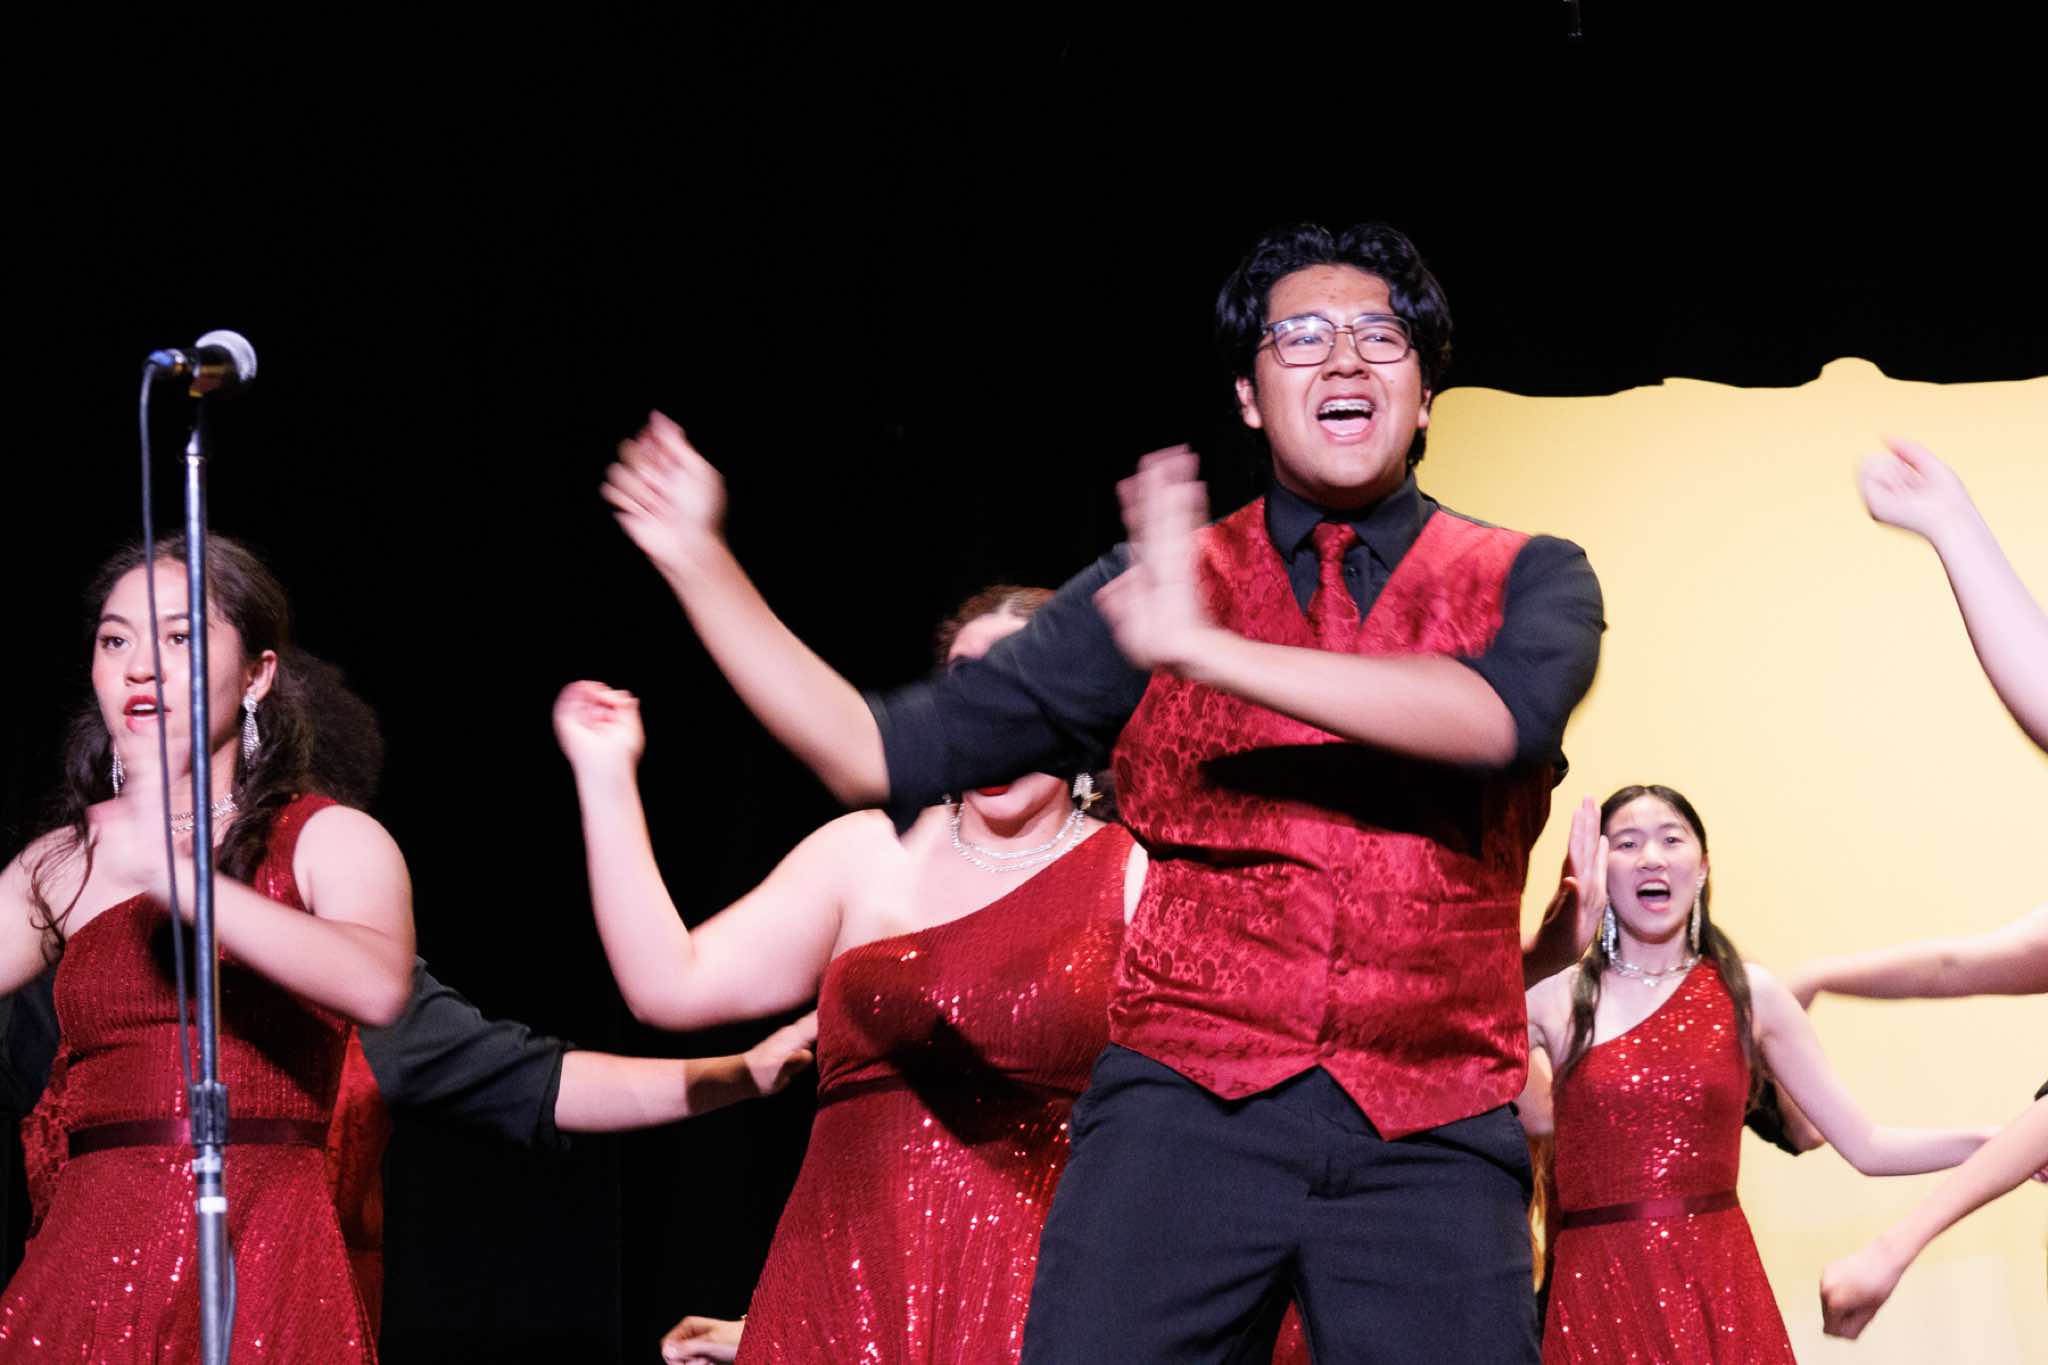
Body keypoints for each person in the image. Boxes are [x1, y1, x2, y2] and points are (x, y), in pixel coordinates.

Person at [600, 220, 1608, 1362]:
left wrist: (1206, 649)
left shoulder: (1531, 576)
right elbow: (871, 751)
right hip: (1182, 1122)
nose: (1343, 359)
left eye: (1380, 337)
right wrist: (700, 561)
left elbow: (1497, 718)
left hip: (1431, 1128)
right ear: (1247, 396)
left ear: (1425, 395)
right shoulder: (1154, 584)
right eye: (1301, 338)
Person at [555, 586, 1147, 1365]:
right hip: (830, 1299)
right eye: (971, 686)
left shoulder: (1135, 874)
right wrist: (604, 773)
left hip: (1029, 1304)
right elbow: (667, 982)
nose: (996, 716)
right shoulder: (866, 853)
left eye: (1023, 686)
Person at [0, 535, 415, 1361]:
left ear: (257, 674)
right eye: (115, 639)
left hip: (261, 1242)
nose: (139, 667)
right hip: (87, 1254)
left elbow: (378, 983)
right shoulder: (62, 859)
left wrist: (184, 883)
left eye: (179, 636)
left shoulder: (327, 837)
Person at [1, 961, 818, 1337]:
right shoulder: (59, 963)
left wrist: (738, 1074)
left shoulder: (347, 979)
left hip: (289, 1335)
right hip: (83, 1331)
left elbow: (542, 1080)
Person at [1523, 784, 1994, 1363]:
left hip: (1717, 1283)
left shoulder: (1751, 995)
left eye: (1671, 839)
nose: (1651, 857)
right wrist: (1549, 942)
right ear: (1597, 868)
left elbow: (1868, 1145)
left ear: (1702, 867)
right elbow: (1486, 1074)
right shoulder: (1551, 997)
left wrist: (1995, 1145)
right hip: (1596, 1290)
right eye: (1627, 843)